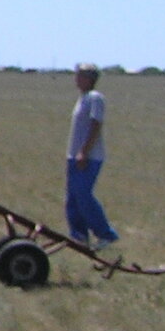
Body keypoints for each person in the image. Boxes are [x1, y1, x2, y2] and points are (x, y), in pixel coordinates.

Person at [66, 63, 119, 250]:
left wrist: (84, 152)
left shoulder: (95, 98)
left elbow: (96, 125)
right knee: (72, 197)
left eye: (80, 75)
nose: (76, 79)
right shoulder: (82, 98)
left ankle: (106, 234)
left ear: (90, 78)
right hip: (74, 156)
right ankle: (79, 235)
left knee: (83, 195)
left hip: (89, 156)